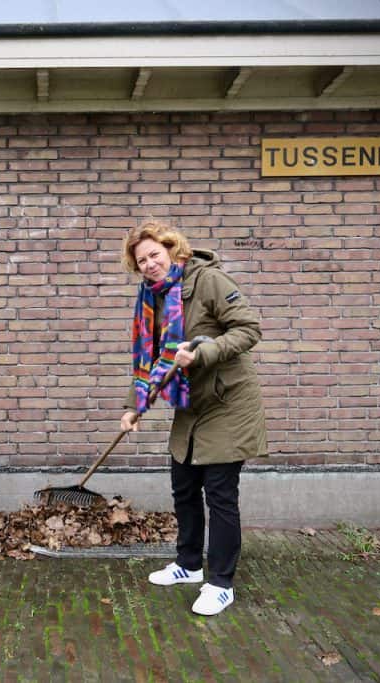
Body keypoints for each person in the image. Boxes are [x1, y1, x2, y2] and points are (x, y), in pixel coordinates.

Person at [119, 220, 266, 616]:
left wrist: (202, 353)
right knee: (183, 485)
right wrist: (134, 406)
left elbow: (249, 329)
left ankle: (220, 583)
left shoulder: (209, 281)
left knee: (219, 495)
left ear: (171, 249)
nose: (150, 264)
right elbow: (146, 358)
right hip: (190, 404)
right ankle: (187, 564)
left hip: (227, 402)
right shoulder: (149, 298)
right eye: (142, 260)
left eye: (154, 254)